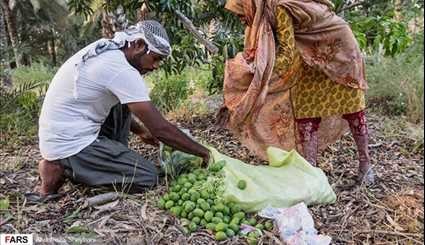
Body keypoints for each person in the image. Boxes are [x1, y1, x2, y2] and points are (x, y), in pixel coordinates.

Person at [33, 20, 210, 201]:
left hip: (64, 131)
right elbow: (161, 129)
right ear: (139, 45)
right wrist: (205, 153)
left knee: (123, 101)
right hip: (71, 144)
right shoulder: (120, 70)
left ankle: (95, 161)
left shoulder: (109, 52)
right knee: (148, 177)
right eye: (155, 58)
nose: (155, 66)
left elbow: (141, 119)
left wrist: (141, 131)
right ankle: (64, 167)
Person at [218, 0, 375, 184]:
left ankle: (366, 165)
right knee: (306, 113)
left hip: (339, 53)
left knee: (353, 111)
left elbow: (287, 54)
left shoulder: (280, 7)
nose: (242, 18)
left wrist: (256, 76)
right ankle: (311, 171)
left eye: (241, 11)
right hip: (312, 55)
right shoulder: (269, 13)